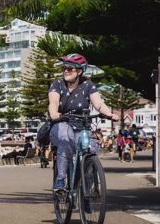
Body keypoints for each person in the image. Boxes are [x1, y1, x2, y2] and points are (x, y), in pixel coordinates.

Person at [48, 53, 120, 192]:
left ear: (79, 71)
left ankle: (86, 190)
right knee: (65, 137)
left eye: (70, 68)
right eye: (64, 68)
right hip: (61, 124)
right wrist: (54, 113)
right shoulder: (57, 84)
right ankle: (60, 180)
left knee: (92, 148)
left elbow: (99, 103)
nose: (66, 71)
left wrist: (109, 113)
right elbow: (53, 101)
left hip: (82, 128)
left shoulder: (88, 85)